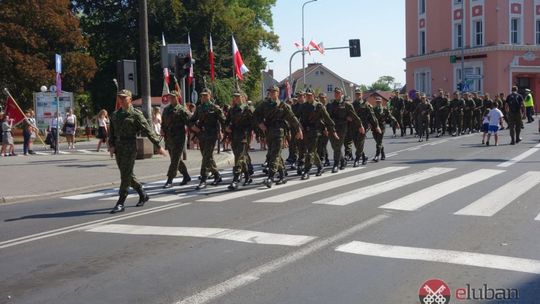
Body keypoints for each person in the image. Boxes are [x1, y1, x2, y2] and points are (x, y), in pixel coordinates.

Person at [108, 89, 166, 214]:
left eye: (124, 97)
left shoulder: (136, 114)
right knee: (127, 173)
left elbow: (148, 130)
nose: (121, 100)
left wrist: (158, 146)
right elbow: (111, 132)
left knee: (125, 175)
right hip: (119, 147)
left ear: (130, 99)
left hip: (130, 146)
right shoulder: (115, 115)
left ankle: (120, 202)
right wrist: (111, 145)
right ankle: (142, 193)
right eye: (120, 97)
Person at [254, 85, 302, 188]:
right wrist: (260, 123)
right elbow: (255, 114)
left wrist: (299, 130)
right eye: (270, 92)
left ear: (278, 93)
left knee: (274, 155)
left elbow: (292, 118)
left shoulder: (283, 106)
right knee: (274, 154)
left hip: (279, 133)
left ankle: (270, 177)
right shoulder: (264, 104)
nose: (271, 93)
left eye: (273, 91)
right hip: (269, 132)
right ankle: (282, 175)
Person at [189, 88, 226, 190]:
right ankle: (217, 175)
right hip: (202, 135)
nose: (203, 97)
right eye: (202, 95)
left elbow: (223, 121)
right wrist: (193, 127)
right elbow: (191, 120)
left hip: (211, 135)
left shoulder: (215, 108)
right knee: (208, 157)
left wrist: (222, 131)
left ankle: (203, 179)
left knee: (206, 156)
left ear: (210, 96)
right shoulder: (199, 108)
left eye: (205, 95)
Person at [298, 88, 336, 179]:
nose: (308, 97)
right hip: (306, 132)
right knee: (313, 152)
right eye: (307, 95)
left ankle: (306, 171)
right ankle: (320, 166)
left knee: (310, 152)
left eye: (310, 95)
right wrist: (298, 127)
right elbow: (297, 118)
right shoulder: (303, 106)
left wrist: (332, 130)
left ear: (314, 96)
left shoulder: (319, 106)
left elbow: (327, 119)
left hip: (315, 132)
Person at [326, 87, 364, 173]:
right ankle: (342, 160)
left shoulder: (347, 104)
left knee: (338, 146)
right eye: (335, 93)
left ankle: (336, 164)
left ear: (341, 93)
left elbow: (354, 116)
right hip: (333, 128)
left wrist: (360, 125)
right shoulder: (331, 104)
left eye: (338, 93)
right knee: (334, 146)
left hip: (342, 128)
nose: (336, 94)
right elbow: (327, 117)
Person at [161, 91, 191, 188]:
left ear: (178, 98)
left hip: (179, 137)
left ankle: (170, 179)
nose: (171, 98)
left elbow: (189, 121)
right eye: (170, 97)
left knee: (175, 159)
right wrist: (162, 129)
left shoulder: (182, 110)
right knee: (175, 159)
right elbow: (163, 122)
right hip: (169, 138)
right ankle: (186, 176)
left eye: (173, 97)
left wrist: (195, 133)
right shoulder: (166, 110)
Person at [225, 90, 255, 189]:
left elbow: (254, 121)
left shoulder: (248, 109)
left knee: (238, 158)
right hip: (234, 136)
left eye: (238, 97)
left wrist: (258, 135)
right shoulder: (232, 109)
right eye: (235, 97)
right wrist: (227, 128)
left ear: (243, 97)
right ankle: (247, 176)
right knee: (241, 158)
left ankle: (236, 179)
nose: (236, 99)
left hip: (244, 136)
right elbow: (227, 121)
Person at [351, 89, 380, 166]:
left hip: (364, 126)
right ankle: (364, 156)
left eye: (359, 94)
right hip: (354, 126)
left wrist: (376, 126)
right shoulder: (352, 105)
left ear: (362, 94)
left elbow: (372, 116)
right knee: (356, 143)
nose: (358, 95)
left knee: (360, 142)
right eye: (356, 94)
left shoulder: (366, 104)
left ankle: (357, 159)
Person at [373, 96, 398, 161]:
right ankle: (383, 153)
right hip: (374, 127)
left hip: (382, 127)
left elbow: (390, 116)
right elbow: (370, 118)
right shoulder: (373, 109)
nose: (378, 102)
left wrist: (396, 122)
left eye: (379, 101)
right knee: (378, 141)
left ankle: (377, 155)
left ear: (381, 102)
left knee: (379, 142)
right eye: (377, 101)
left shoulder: (384, 109)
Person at [316, 92, 331, 166]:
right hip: (319, 128)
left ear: (326, 98)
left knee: (323, 145)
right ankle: (322, 159)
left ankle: (326, 159)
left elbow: (330, 119)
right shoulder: (318, 107)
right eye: (320, 98)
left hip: (327, 129)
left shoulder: (329, 106)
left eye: (323, 98)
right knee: (319, 145)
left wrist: (326, 128)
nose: (322, 99)